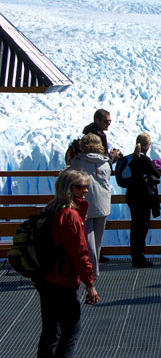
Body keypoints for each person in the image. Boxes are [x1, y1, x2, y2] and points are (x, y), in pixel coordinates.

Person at [36, 169, 100, 358]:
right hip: (63, 279)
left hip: (46, 277)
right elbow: (79, 253)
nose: (85, 191)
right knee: (70, 332)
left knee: (50, 332)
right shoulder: (70, 215)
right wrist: (89, 284)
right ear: (68, 189)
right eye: (80, 187)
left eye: (87, 187)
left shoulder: (51, 209)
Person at [67, 133, 112, 277]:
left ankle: (90, 271)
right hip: (103, 203)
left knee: (86, 240)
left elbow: (69, 176)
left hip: (84, 203)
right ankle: (94, 269)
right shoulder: (105, 162)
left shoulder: (78, 162)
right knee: (98, 241)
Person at [123, 133, 161, 268]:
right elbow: (157, 174)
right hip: (143, 196)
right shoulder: (144, 159)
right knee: (143, 226)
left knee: (135, 226)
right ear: (147, 145)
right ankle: (139, 257)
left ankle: (135, 255)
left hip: (131, 195)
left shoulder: (132, 158)